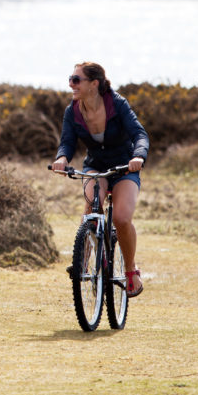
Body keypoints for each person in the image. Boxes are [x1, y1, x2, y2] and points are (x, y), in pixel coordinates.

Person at [49, 62, 150, 297]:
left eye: (76, 80)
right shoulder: (72, 111)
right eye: (70, 79)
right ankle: (82, 262)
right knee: (91, 205)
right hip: (95, 166)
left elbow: (139, 134)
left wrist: (138, 156)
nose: (70, 84)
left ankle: (130, 269)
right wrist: (62, 158)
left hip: (125, 166)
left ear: (94, 84)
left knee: (122, 218)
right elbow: (67, 142)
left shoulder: (117, 104)